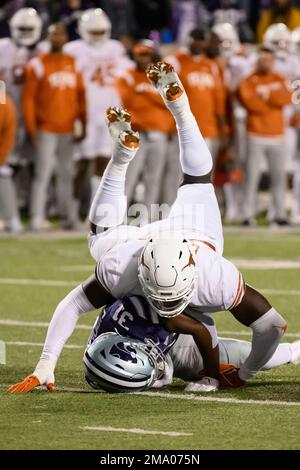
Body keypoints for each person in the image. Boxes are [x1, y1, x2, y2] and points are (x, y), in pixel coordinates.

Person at [7, 62, 288, 394]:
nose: (165, 307)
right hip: (152, 241)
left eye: (173, 300)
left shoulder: (216, 277)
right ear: (141, 271)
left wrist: (246, 373)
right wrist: (46, 363)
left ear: (192, 274)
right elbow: (72, 305)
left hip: (197, 235)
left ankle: (168, 117)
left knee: (103, 240)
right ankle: (133, 147)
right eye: (161, 298)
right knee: (111, 237)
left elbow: (272, 325)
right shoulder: (125, 264)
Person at [7, 294, 300, 393]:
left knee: (248, 358)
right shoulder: (99, 362)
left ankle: (295, 350)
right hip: (154, 338)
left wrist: (211, 376)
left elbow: (202, 329)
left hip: (179, 329)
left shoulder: (151, 315)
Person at [64, 8, 132, 224]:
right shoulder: (72, 49)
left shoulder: (116, 48)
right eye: (93, 32)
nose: (97, 36)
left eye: (100, 31)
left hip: (110, 112)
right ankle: (71, 212)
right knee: (79, 163)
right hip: (84, 111)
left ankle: (95, 212)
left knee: (104, 162)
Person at [23, 23, 86, 231]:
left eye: (60, 34)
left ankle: (68, 216)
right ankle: (36, 216)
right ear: (47, 38)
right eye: (53, 35)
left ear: (66, 38)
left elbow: (81, 96)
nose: (57, 38)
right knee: (43, 173)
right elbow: (29, 99)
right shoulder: (37, 64)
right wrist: (32, 128)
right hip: (46, 128)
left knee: (67, 173)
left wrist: (82, 122)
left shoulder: (74, 63)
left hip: (67, 128)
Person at [115, 39, 177, 210]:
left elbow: (171, 103)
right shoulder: (126, 75)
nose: (143, 58)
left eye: (147, 54)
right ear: (134, 56)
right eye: (140, 55)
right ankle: (117, 218)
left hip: (159, 133)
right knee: (129, 177)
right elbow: (124, 102)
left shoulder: (162, 78)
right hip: (135, 134)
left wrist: (144, 94)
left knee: (153, 177)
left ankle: (149, 220)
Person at [238, 47, 291, 226]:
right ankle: (247, 215)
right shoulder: (248, 81)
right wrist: (272, 99)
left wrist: (267, 95)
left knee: (278, 178)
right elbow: (251, 104)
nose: (265, 63)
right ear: (257, 61)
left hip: (277, 135)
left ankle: (279, 215)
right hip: (256, 134)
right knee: (252, 177)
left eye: (268, 60)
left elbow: (286, 98)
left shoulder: (280, 79)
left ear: (273, 61)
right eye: (262, 60)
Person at [0, 93, 20, 233]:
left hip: (2, 150)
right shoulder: (6, 100)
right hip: (4, 149)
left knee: (4, 180)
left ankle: (12, 219)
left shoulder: (4, 103)